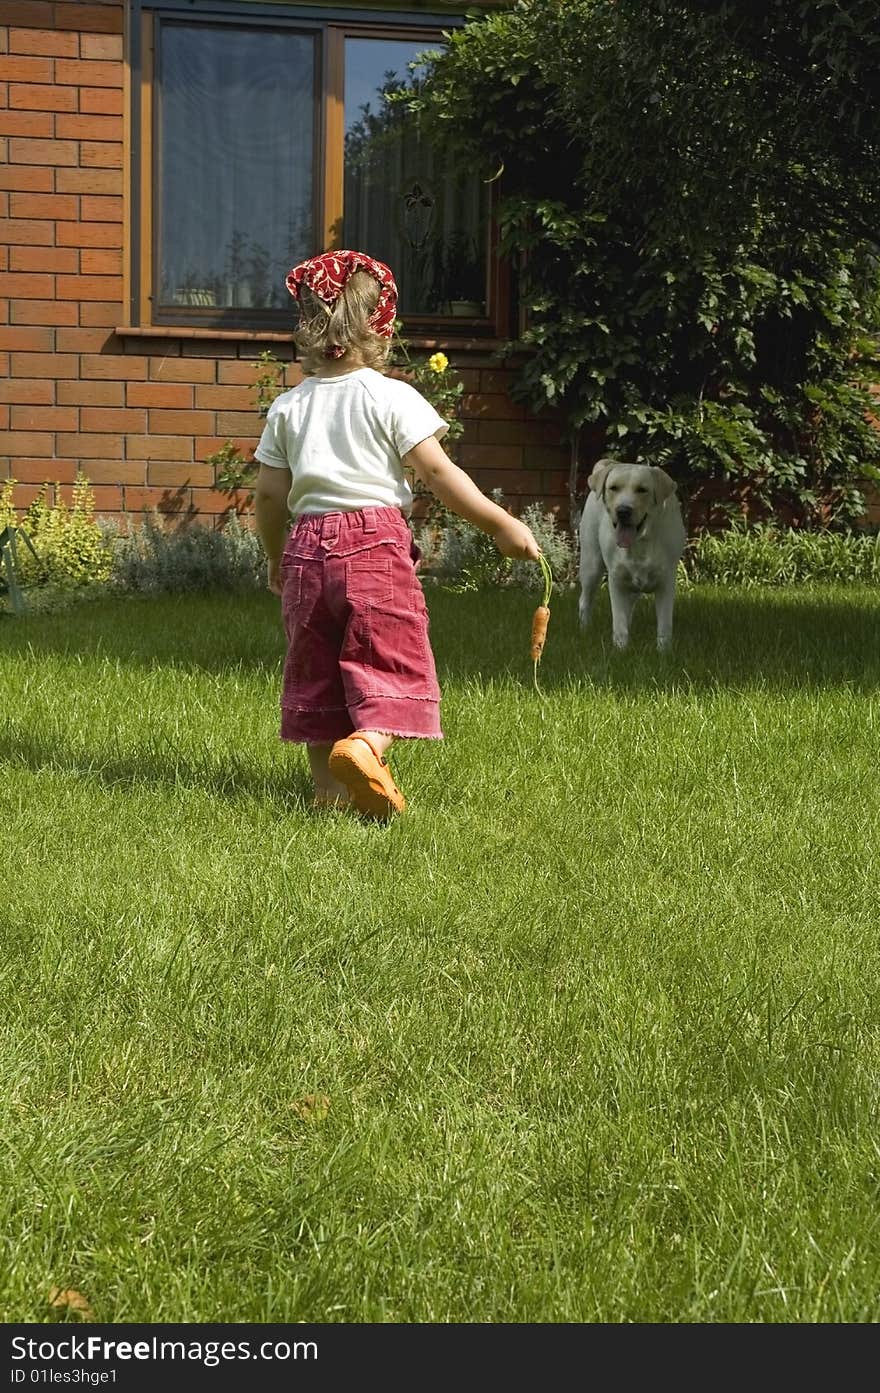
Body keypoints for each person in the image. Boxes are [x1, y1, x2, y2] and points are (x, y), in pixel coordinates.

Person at [253, 248, 541, 819]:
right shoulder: (391, 396)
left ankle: (329, 796)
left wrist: (272, 559)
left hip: (306, 550)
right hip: (375, 545)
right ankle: (367, 746)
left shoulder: (287, 407)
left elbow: (266, 496)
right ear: (380, 325)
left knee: (316, 667)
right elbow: (437, 472)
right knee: (388, 658)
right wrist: (501, 524)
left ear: (308, 325)